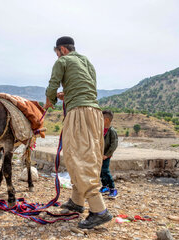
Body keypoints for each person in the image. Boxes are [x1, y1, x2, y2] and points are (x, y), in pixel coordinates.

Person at [44, 36, 112, 229]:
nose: (57, 56)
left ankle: (100, 211)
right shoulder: (86, 62)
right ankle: (77, 200)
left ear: (62, 50)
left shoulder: (63, 61)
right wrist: (68, 94)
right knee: (89, 155)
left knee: (78, 157)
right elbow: (88, 87)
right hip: (94, 113)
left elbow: (52, 85)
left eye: (56, 53)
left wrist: (50, 100)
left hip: (78, 113)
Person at [99, 110, 118, 198]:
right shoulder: (100, 130)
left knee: (105, 171)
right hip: (100, 155)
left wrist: (106, 155)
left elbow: (114, 145)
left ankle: (113, 188)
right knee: (100, 172)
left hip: (106, 156)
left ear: (106, 120)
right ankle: (105, 186)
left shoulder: (112, 131)